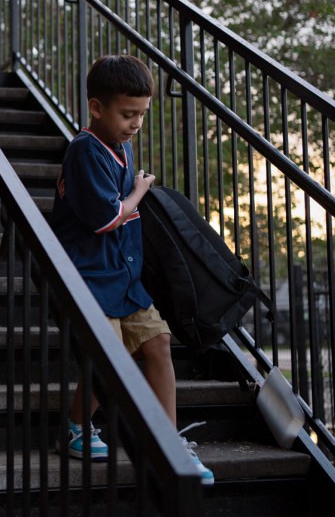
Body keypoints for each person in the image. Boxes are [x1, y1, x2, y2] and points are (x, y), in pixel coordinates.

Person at [50, 54, 213, 485]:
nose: (135, 123)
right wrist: (140, 190)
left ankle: (169, 441)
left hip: (123, 276)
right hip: (88, 275)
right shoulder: (85, 150)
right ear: (96, 107)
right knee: (113, 354)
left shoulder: (120, 145)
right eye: (127, 114)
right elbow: (104, 218)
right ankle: (76, 427)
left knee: (158, 341)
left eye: (141, 114)